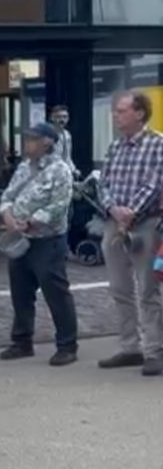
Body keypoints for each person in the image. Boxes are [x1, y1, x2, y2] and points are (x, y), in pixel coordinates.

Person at [0, 123, 78, 367]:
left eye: (32, 139)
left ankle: (67, 345)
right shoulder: (24, 167)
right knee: (20, 292)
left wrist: (32, 221)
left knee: (56, 293)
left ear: (46, 142)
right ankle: (22, 341)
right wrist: (8, 216)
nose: (27, 143)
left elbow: (59, 206)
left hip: (48, 240)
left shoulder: (60, 170)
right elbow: (8, 195)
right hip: (21, 240)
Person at [97, 91, 163, 376]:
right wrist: (113, 209)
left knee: (148, 289)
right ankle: (130, 347)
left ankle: (155, 350)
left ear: (139, 113)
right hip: (115, 224)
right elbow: (103, 182)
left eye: (121, 111)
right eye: (115, 111)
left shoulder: (158, 144)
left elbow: (155, 184)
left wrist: (131, 211)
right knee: (119, 288)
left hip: (146, 223)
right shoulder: (115, 147)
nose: (116, 116)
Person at [50, 105, 78, 176]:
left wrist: (74, 170)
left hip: (63, 172)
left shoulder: (67, 135)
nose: (62, 120)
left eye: (65, 117)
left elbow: (67, 157)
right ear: (52, 118)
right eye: (58, 117)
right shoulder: (47, 134)